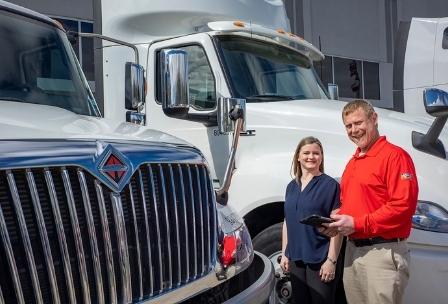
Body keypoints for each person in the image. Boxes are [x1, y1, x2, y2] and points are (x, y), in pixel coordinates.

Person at [326, 99, 419, 304]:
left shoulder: (395, 156)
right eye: (348, 126)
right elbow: (356, 205)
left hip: (382, 254)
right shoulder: (352, 163)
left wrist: (357, 223)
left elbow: (403, 206)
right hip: (352, 253)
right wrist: (338, 221)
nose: (354, 130)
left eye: (358, 123)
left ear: (374, 119)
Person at [280, 136, 343, 304]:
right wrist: (284, 253)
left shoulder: (330, 185)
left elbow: (337, 227)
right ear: (298, 157)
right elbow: (288, 221)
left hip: (320, 258)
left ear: (321, 157)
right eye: (306, 153)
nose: (311, 157)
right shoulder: (291, 186)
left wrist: (331, 261)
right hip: (296, 258)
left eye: (316, 153)